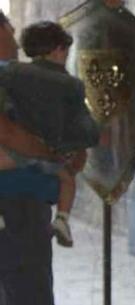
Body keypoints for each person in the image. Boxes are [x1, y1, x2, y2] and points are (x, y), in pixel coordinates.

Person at [0, 10, 78, 305]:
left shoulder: (17, 80)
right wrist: (54, 151)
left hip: (21, 212)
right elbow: (8, 139)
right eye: (5, 27)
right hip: (14, 214)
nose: (12, 32)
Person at [0, 20, 100, 247]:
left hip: (17, 161)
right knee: (67, 181)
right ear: (58, 50)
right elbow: (85, 131)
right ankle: (63, 219)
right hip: (41, 174)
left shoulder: (12, 72)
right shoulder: (71, 85)